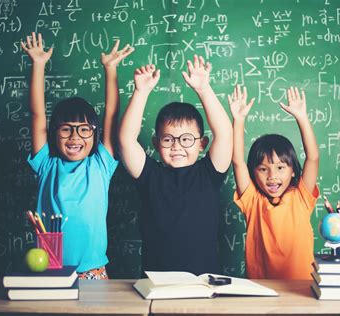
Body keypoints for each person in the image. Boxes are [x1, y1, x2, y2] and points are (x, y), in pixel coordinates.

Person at [21, 32, 133, 279]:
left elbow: (111, 115)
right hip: (51, 269)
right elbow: (37, 115)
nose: (75, 137)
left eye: (84, 130)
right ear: (54, 133)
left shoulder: (100, 164)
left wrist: (110, 69)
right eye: (66, 129)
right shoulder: (46, 164)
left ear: (94, 134)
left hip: (92, 272)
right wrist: (38, 65)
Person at [118, 56, 233, 275]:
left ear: (202, 144)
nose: (177, 146)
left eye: (186, 139)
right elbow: (126, 140)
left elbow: (226, 134)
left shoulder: (209, 174)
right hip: (156, 282)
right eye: (168, 139)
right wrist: (140, 93)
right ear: (156, 143)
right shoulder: (149, 175)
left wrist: (204, 89)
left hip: (204, 282)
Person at [229, 85, 319, 279]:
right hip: (262, 289)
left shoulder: (301, 197)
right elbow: (237, 161)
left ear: (293, 170)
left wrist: (302, 117)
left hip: (301, 289)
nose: (272, 176)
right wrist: (238, 120)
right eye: (263, 169)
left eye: (280, 167)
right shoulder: (252, 201)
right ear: (254, 172)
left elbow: (313, 157)